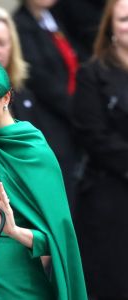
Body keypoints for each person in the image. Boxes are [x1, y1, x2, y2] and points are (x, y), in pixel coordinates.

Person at [0, 54, 87, 300]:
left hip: (20, 292)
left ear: (6, 98)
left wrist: (14, 231)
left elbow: (58, 239)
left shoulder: (34, 153)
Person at [71, 0, 128, 299]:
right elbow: (92, 134)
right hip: (109, 197)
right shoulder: (92, 74)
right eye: (124, 19)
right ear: (111, 29)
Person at [13, 0, 81, 211]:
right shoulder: (20, 24)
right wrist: (79, 110)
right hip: (48, 122)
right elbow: (41, 80)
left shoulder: (53, 20)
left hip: (69, 121)